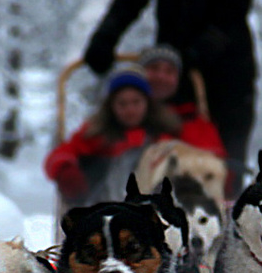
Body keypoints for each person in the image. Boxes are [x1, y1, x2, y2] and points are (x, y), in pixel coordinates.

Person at [83, 0, 259, 195]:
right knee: (168, 139)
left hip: (227, 68)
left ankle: (227, 210)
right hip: (174, 70)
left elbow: (235, 8)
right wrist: (105, 37)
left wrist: (199, 52)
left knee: (226, 146)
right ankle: (157, 210)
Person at [45, 67, 224, 207]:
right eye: (122, 104)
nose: (130, 110)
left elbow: (202, 153)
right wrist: (65, 170)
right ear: (111, 107)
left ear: (147, 103)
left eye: (136, 102)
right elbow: (62, 153)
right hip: (106, 200)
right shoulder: (97, 135)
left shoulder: (166, 131)